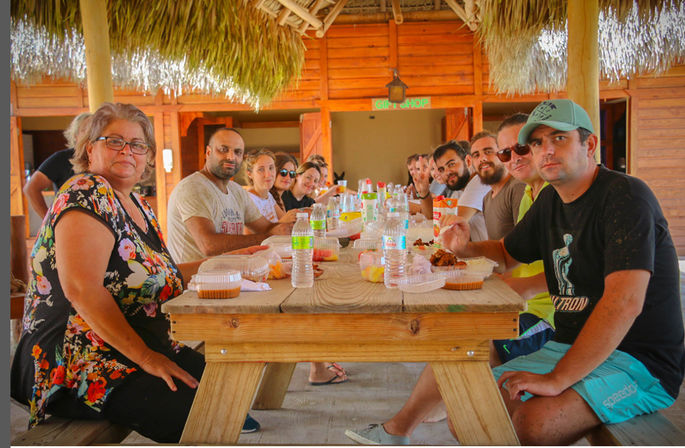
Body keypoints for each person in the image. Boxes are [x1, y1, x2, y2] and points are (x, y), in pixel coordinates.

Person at [9, 103, 265, 442]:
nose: (127, 150)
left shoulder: (137, 204)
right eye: (114, 141)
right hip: (74, 358)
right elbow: (82, 290)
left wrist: (234, 258)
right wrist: (146, 358)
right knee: (196, 410)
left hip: (131, 342)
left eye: (137, 144)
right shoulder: (86, 193)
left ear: (147, 156)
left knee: (227, 385)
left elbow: (163, 273)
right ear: (89, 148)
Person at [442, 99, 684, 445]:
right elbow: (506, 254)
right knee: (470, 407)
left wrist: (557, 379)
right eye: (537, 143)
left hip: (640, 360)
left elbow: (625, 302)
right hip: (567, 343)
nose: (546, 151)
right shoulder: (550, 201)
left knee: (534, 423)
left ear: (589, 145)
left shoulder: (626, 196)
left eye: (558, 138)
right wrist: (465, 247)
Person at [344, 116, 553, 446]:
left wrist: (515, 286)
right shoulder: (530, 193)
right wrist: (467, 250)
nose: (512, 158)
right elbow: (507, 252)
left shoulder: (541, 194)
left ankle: (399, 429)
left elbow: (578, 270)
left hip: (546, 316)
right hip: (515, 298)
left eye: (522, 148)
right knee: (454, 334)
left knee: (460, 344)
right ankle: (405, 424)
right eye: (505, 152)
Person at [166, 127, 293, 263]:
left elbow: (266, 227)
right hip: (194, 281)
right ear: (208, 152)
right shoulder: (192, 187)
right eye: (223, 149)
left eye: (237, 152)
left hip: (231, 276)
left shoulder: (237, 191)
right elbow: (209, 245)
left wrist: (296, 223)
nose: (231, 157)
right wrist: (269, 236)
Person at [415, 141, 489, 241]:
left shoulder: (479, 182)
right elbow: (433, 217)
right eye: (442, 169)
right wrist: (424, 192)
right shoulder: (458, 190)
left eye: (451, 164)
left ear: (467, 161)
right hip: (475, 252)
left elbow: (450, 226)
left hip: (489, 255)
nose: (447, 172)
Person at [23, 112, 91, 218]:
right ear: (75, 135)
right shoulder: (61, 158)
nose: (90, 134)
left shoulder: (104, 159)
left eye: (94, 130)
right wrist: (49, 220)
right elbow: (31, 188)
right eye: (85, 130)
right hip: (68, 225)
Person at [468, 131, 525, 242]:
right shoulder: (487, 198)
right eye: (476, 155)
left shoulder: (517, 188)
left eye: (488, 152)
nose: (482, 158)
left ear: (502, 154)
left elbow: (524, 246)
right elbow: (493, 245)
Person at [243, 148, 298, 232]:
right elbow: (249, 238)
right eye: (261, 169)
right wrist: (282, 222)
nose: (268, 174)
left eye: (271, 168)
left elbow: (285, 219)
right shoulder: (249, 200)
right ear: (250, 174)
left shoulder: (268, 196)